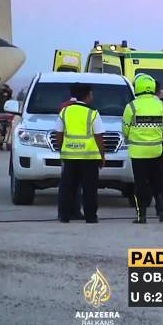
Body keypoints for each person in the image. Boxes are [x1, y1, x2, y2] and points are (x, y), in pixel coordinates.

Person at [55, 83, 105, 223]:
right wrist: (102, 155)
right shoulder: (93, 113)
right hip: (89, 158)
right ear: (87, 96)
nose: (92, 97)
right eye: (91, 94)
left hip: (70, 157)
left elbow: (58, 134)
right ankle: (90, 217)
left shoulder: (64, 112)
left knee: (67, 188)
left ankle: (64, 216)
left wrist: (62, 149)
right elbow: (99, 137)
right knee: (90, 188)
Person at [122, 74, 163, 224]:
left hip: (138, 153)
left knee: (140, 185)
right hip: (156, 151)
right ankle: (162, 212)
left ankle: (141, 216)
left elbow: (125, 129)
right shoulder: (162, 106)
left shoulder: (131, 106)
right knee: (159, 183)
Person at [57, 95, 83, 221]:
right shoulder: (84, 108)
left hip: (68, 153)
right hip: (82, 153)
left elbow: (59, 133)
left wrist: (61, 149)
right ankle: (74, 212)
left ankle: (64, 213)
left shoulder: (64, 108)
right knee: (76, 186)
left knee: (66, 185)